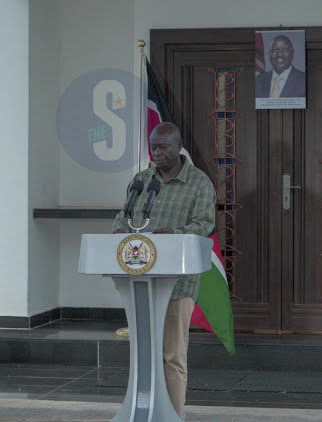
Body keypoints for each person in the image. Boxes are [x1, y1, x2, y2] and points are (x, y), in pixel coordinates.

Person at [112, 122, 216, 420]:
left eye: (163, 147)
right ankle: (144, 412)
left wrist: (174, 233)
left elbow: (203, 225)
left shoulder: (198, 183)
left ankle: (174, 417)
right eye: (153, 147)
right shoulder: (141, 180)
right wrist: (120, 231)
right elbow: (123, 215)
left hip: (178, 284)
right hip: (139, 283)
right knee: (146, 355)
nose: (156, 153)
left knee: (172, 355)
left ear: (179, 145)